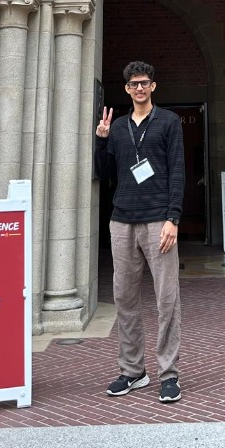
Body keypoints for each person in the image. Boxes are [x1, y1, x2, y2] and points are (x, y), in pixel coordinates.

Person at [95, 60, 185, 404]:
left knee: (167, 299)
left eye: (145, 83)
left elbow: (177, 170)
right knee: (124, 298)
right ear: (127, 89)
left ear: (153, 86)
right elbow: (104, 172)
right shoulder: (117, 127)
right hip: (122, 220)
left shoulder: (169, 122)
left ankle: (169, 374)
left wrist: (173, 218)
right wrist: (101, 140)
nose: (139, 89)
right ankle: (133, 371)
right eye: (134, 84)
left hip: (158, 221)